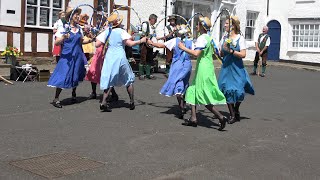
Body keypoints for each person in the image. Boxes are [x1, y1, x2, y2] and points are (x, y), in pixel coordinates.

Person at [178, 16, 228, 130]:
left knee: (203, 95)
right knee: (193, 91)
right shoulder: (208, 37)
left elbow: (196, 54)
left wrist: (183, 47)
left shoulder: (202, 38)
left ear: (201, 26)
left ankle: (220, 117)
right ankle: (193, 118)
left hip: (203, 69)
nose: (196, 26)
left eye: (198, 24)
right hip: (207, 67)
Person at [95, 13, 147, 112]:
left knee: (110, 79)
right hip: (119, 56)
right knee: (128, 78)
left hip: (109, 57)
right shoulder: (121, 31)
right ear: (118, 23)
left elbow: (97, 44)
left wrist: (98, 34)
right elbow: (130, 44)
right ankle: (131, 102)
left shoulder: (107, 31)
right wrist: (141, 41)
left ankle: (104, 102)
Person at [48, 7, 94, 108]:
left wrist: (91, 40)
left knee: (75, 75)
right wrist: (64, 37)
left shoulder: (79, 29)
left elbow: (81, 41)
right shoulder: (64, 27)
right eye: (76, 14)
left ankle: (74, 94)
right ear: (70, 16)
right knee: (63, 75)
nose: (78, 16)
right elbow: (56, 42)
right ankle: (56, 98)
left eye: (78, 14)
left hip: (77, 55)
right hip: (67, 57)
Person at [147, 24, 192, 119]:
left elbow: (161, 45)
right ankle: (183, 102)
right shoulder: (190, 41)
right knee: (184, 83)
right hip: (187, 65)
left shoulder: (174, 41)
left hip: (177, 65)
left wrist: (151, 43)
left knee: (176, 84)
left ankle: (181, 105)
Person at [218, 16, 255, 124]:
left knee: (239, 91)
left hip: (237, 68)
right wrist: (221, 49)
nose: (224, 25)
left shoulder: (240, 38)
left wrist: (231, 51)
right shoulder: (224, 37)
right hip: (226, 68)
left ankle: (236, 109)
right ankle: (232, 115)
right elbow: (221, 53)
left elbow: (243, 54)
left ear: (233, 26)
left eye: (226, 23)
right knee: (227, 90)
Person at [139, 14, 158, 80]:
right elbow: (143, 34)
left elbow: (153, 35)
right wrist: (147, 40)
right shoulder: (145, 24)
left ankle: (148, 74)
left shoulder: (153, 27)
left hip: (150, 45)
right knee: (143, 58)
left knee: (149, 58)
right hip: (144, 44)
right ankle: (141, 74)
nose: (155, 21)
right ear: (151, 19)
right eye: (155, 20)